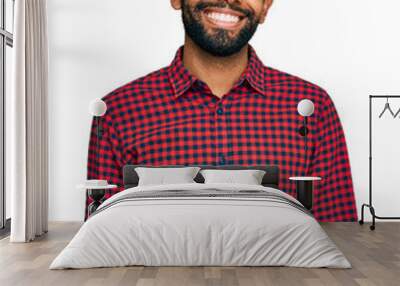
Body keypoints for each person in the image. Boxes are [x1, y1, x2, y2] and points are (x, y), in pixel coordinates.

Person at [87, 0, 357, 221]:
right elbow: (98, 241)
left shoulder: (312, 108)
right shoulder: (118, 113)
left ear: (266, 7)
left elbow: (340, 235)